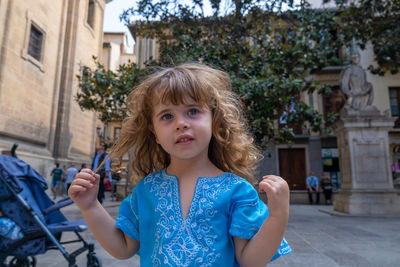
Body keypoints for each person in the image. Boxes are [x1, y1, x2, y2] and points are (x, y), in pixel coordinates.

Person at [69, 63, 292, 266]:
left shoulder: (237, 191)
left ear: (214, 120)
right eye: (167, 116)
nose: (181, 124)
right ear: (154, 133)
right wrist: (90, 207)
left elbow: (250, 260)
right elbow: (123, 247)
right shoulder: (146, 190)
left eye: (193, 111)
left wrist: (277, 216)